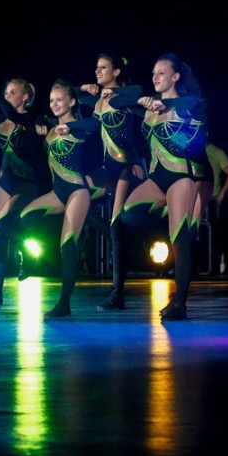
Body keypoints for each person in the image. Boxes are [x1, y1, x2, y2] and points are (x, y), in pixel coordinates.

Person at [112, 53, 206, 322]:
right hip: (156, 179)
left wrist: (163, 103)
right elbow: (117, 101)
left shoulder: (186, 105)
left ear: (176, 77)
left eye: (162, 73)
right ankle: (173, 225)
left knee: (179, 241)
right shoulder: (150, 106)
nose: (155, 77)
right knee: (128, 215)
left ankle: (180, 303)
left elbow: (192, 102)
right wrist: (142, 99)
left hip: (180, 177)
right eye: (153, 72)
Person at [75, 52, 148, 311]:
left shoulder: (126, 96)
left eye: (103, 68)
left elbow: (139, 92)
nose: (97, 72)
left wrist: (111, 93)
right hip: (108, 168)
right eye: (96, 68)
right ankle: (111, 232)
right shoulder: (98, 101)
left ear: (116, 72)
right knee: (76, 192)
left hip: (129, 166)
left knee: (118, 224)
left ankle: (118, 294)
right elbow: (73, 96)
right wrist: (85, 88)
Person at [20, 80, 92, 318]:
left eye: (60, 99)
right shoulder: (51, 127)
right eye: (52, 100)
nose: (54, 104)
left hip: (77, 192)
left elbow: (95, 123)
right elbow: (33, 119)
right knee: (24, 217)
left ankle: (64, 304)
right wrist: (43, 125)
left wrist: (70, 123)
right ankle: (30, 260)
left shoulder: (80, 127)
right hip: (57, 193)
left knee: (67, 246)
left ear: (72, 101)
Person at [0, 77, 43, 307]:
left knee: (4, 222)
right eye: (6, 92)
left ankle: (28, 252)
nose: (7, 96)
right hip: (4, 181)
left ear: (25, 97)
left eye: (12, 92)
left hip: (26, 182)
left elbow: (16, 117)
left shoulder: (32, 118)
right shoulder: (0, 120)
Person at [206, 138, 228, 272]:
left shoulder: (216, 151)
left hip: (212, 198)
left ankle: (215, 262)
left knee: (214, 232)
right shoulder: (191, 150)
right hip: (194, 197)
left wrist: (222, 193)